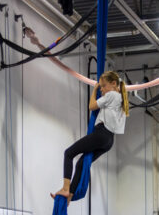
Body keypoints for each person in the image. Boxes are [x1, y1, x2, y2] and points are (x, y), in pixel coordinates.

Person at [52, 71, 129, 202]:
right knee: (81, 163)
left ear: (113, 83)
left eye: (103, 86)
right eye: (101, 87)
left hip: (101, 134)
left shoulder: (112, 95)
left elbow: (91, 106)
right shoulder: (121, 100)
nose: (102, 90)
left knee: (69, 153)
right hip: (109, 141)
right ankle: (69, 194)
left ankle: (65, 188)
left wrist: (94, 91)